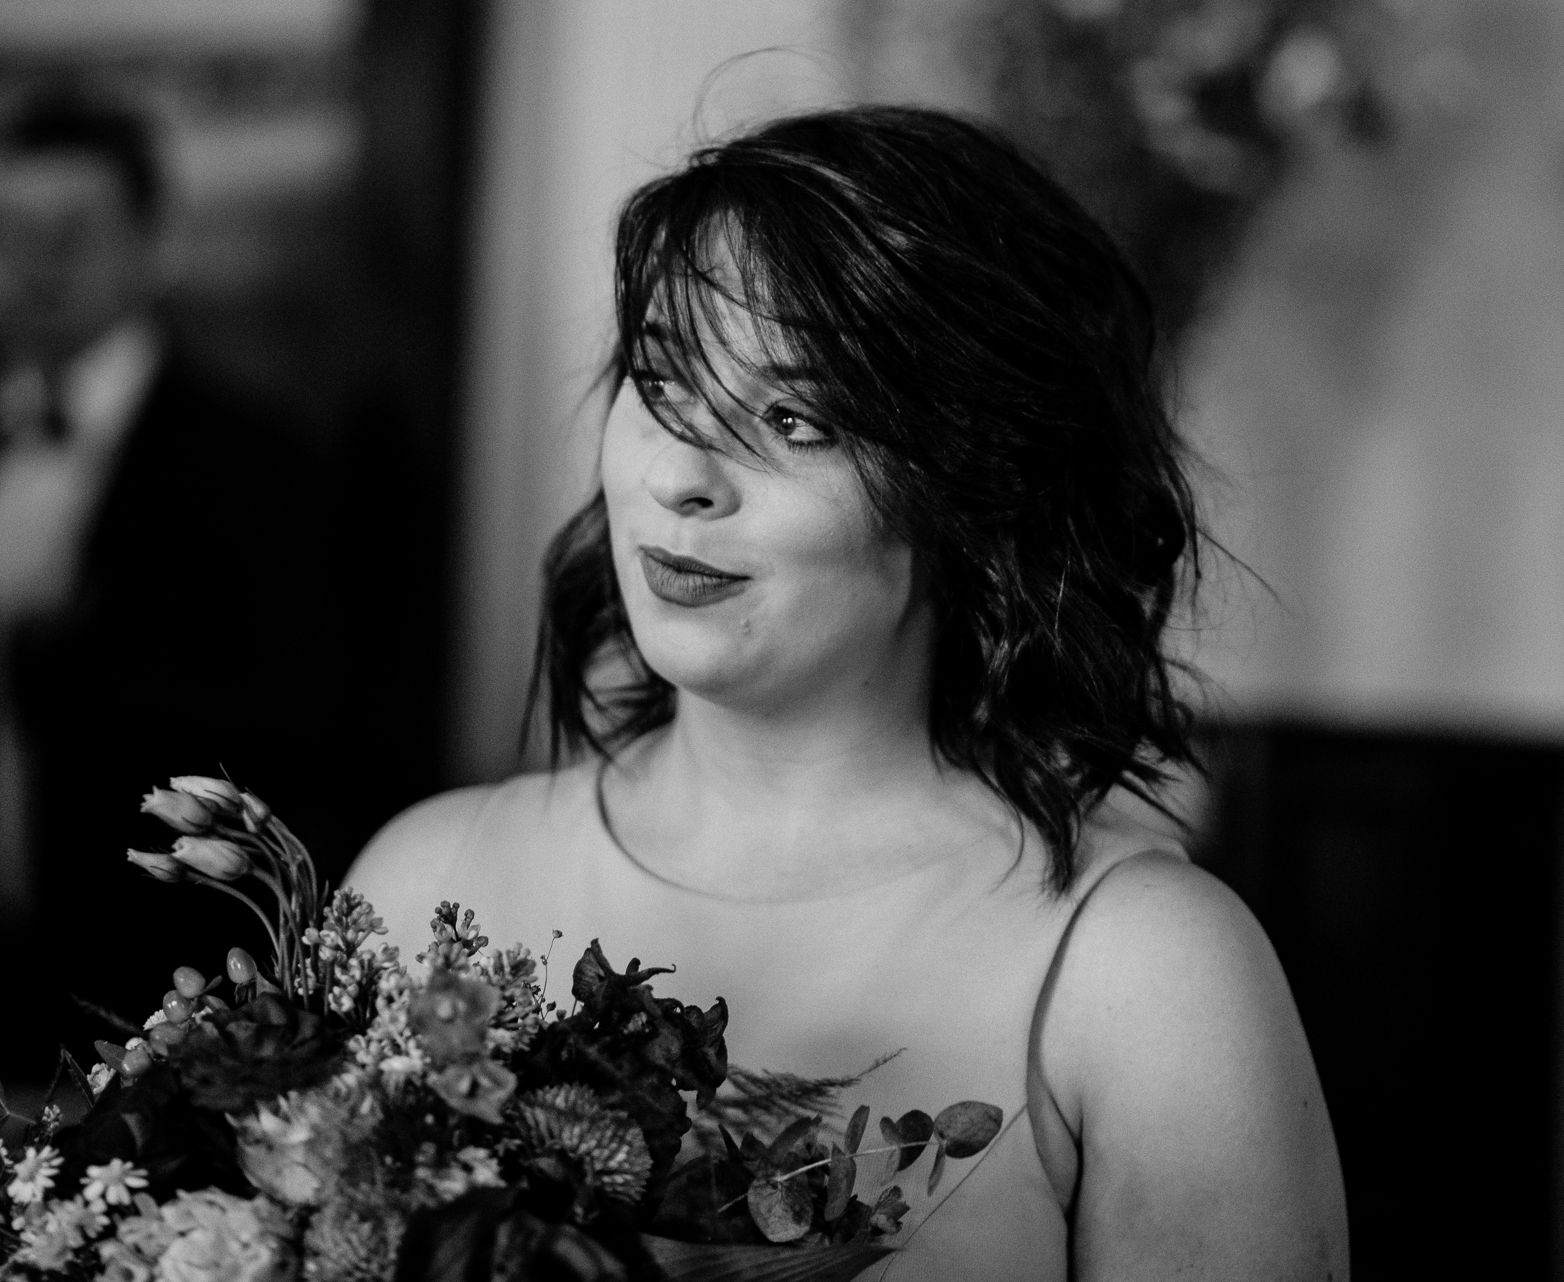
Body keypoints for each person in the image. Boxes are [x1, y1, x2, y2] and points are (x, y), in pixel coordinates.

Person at [349, 107, 1349, 1280]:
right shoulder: (423, 884)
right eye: (662, 378)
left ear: (973, 488)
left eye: (792, 417)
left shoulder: (1146, 974)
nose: (679, 478)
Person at [0, 93, 333, 1026]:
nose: (35, 264)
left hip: (159, 976)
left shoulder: (257, 463)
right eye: (7, 231)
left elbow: (305, 727)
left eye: (71, 231)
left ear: (153, 242)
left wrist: (63, 671)